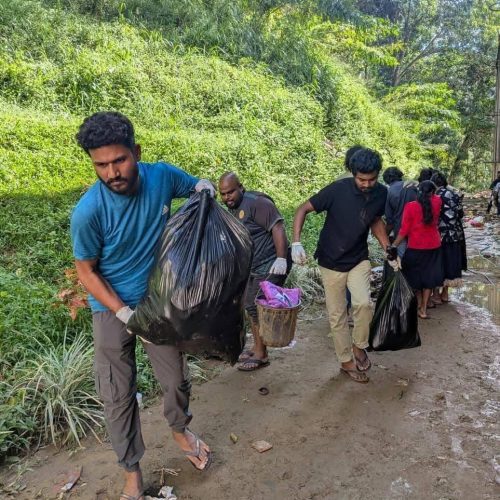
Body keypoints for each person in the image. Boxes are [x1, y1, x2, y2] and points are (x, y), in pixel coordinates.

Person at [71, 112, 213, 500]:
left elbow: (193, 186)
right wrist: (123, 313)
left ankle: (179, 429)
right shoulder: (89, 212)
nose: (112, 172)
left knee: (175, 378)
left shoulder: (162, 176)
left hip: (157, 301)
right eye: (101, 165)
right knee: (117, 393)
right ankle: (131, 470)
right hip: (111, 308)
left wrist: (203, 186)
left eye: (119, 160)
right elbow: (86, 271)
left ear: (136, 151)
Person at [292, 148, 395, 383]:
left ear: (378, 174)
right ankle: (346, 361)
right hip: (330, 261)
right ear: (353, 173)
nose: (367, 184)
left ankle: (359, 346)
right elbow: (302, 209)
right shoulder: (337, 190)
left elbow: (375, 220)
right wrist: (296, 242)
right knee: (337, 315)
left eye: (371, 179)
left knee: (363, 304)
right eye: (361, 180)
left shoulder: (382, 193)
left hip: (358, 257)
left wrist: (387, 247)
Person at [218, 172, 292, 371]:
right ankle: (258, 347)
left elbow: (278, 227)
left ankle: (262, 354)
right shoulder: (232, 209)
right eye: (223, 194)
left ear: (241, 187)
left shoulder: (257, 203)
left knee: (254, 303)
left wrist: (281, 258)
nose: (227, 197)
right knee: (248, 304)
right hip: (253, 265)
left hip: (271, 262)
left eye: (231, 192)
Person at [392, 180, 443, 319]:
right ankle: (423, 309)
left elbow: (404, 231)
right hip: (433, 246)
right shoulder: (437, 202)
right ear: (432, 192)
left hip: (415, 247)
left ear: (418, 191)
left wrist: (394, 245)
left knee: (414, 277)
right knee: (429, 277)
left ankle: (419, 303)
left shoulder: (410, 206)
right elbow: (437, 194)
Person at [431, 171, 467, 303]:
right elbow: (461, 214)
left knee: (437, 263)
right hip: (454, 235)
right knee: (450, 263)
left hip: (439, 235)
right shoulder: (454, 194)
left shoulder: (434, 196)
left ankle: (436, 295)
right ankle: (445, 294)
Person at [383, 166, 418, 257]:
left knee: (402, 258)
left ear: (386, 180)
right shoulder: (413, 187)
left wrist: (384, 236)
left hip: (399, 232)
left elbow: (390, 220)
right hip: (416, 230)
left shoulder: (389, 192)